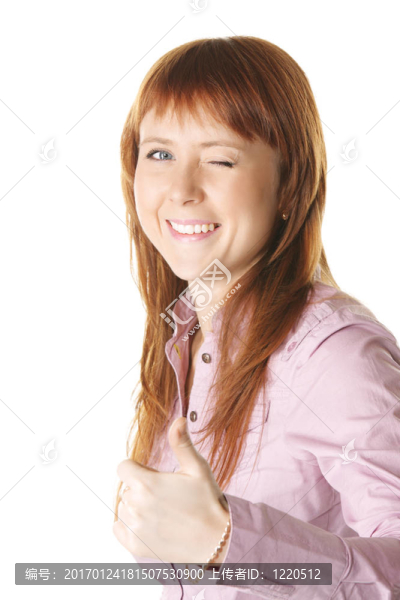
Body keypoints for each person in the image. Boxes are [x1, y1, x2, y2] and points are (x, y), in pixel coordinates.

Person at [112, 36, 400, 599]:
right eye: (160, 154)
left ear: (289, 185)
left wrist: (229, 542)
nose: (181, 190)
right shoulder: (184, 331)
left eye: (220, 159)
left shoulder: (335, 354)